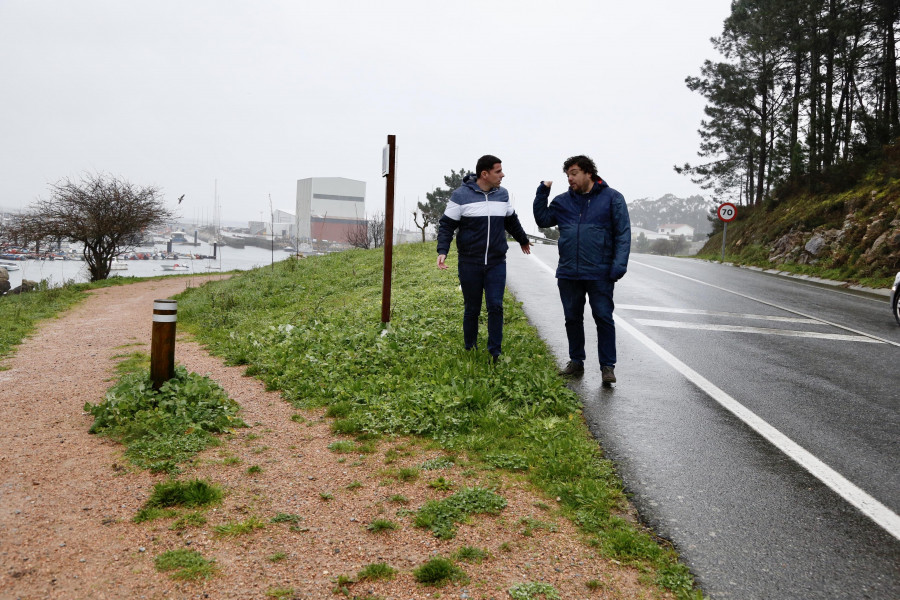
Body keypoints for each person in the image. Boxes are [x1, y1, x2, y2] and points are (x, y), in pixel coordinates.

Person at [533, 155, 630, 383]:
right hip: (569, 271)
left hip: (600, 271)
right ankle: (576, 361)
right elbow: (543, 219)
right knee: (572, 318)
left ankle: (607, 367)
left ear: (589, 173)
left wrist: (618, 266)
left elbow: (623, 234)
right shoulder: (563, 201)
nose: (570, 178)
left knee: (603, 318)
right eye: (567, 175)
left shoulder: (612, 198)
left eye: (574, 173)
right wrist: (542, 193)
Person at [437, 155, 531, 361]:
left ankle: (494, 352)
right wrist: (442, 250)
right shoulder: (460, 195)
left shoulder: (502, 195)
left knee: (496, 306)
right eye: (498, 171)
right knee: (472, 307)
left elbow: (511, 220)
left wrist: (523, 239)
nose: (503, 175)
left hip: (497, 262)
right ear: (484, 174)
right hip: (470, 262)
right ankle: (470, 347)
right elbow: (447, 225)